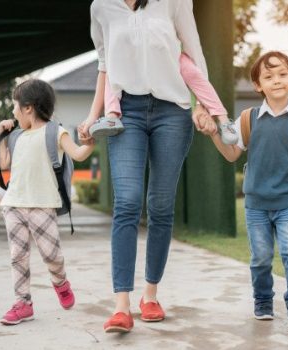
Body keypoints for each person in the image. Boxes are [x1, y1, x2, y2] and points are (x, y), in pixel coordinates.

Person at [80, 0, 217, 333]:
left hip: (173, 111)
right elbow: (104, 64)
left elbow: (195, 52)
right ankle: (121, 305)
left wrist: (205, 105)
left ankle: (150, 295)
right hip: (125, 112)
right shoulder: (102, 7)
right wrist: (92, 114)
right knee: (126, 201)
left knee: (160, 205)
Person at [208, 51, 288, 332]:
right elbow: (232, 154)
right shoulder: (248, 119)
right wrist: (213, 134)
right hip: (256, 204)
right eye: (268, 76)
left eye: (283, 74)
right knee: (260, 258)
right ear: (258, 86)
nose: (277, 81)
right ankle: (262, 302)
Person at [0, 79, 95, 325]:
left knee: (51, 255)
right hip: (14, 204)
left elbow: (78, 154)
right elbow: (4, 163)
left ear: (29, 107)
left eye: (15, 107)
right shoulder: (16, 136)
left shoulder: (55, 132)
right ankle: (23, 303)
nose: (14, 113)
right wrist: (0, 135)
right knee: (18, 256)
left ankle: (60, 282)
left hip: (42, 204)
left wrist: (89, 143)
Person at [96, 52, 237, 144]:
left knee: (193, 73)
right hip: (134, 60)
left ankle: (224, 121)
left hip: (167, 52)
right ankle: (112, 117)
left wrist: (199, 105)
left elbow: (196, 76)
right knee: (112, 67)